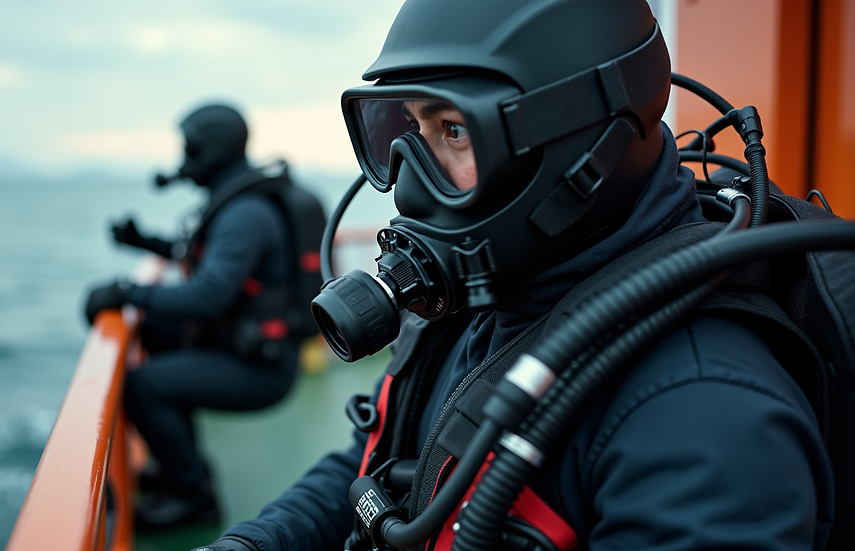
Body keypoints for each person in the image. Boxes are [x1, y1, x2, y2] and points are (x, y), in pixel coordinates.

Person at [193, 1, 834, 550]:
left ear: (586, 150)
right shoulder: (494, 286)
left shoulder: (704, 423)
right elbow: (383, 464)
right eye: (404, 129)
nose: (411, 187)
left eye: (452, 131)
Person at [84, 104, 313, 531]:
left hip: (262, 367)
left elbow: (209, 294)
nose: (184, 157)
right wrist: (145, 243)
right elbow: (210, 261)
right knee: (154, 329)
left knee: (144, 386)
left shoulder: (246, 212)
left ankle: (194, 497)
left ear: (212, 148)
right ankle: (180, 468)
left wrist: (126, 291)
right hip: (236, 342)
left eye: (190, 147)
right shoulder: (239, 201)